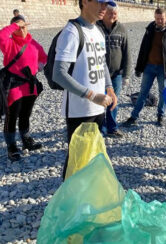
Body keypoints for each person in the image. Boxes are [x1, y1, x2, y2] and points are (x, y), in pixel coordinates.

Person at [53, 0, 117, 179]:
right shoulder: (72, 31)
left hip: (98, 107)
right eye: (100, 3)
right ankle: (68, 202)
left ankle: (87, 199)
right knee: (76, 160)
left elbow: (101, 63)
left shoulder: (98, 30)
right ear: (85, 2)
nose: (105, 8)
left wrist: (109, 88)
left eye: (107, 4)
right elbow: (58, 74)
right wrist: (91, 95)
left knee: (93, 157)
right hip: (79, 110)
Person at [0, 15, 47, 161]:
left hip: (30, 85)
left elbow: (43, 57)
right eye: (18, 27)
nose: (22, 29)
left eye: (24, 26)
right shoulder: (10, 43)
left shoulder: (33, 42)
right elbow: (1, 36)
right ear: (13, 29)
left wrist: (39, 67)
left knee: (26, 114)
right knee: (12, 116)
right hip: (14, 86)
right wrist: (15, 25)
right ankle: (11, 146)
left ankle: (26, 139)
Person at [122, 8, 166, 127]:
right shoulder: (149, 30)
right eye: (157, 18)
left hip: (163, 69)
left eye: (162, 18)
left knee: (163, 93)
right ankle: (134, 116)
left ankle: (160, 115)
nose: (159, 21)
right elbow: (143, 50)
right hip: (149, 67)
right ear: (154, 18)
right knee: (143, 92)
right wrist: (138, 68)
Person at [97, 2, 131, 138]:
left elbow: (127, 52)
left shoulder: (122, 28)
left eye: (115, 13)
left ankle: (112, 127)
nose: (113, 16)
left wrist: (126, 75)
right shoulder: (96, 27)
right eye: (110, 13)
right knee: (99, 101)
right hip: (99, 73)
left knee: (113, 101)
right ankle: (100, 127)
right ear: (104, 13)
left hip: (116, 74)